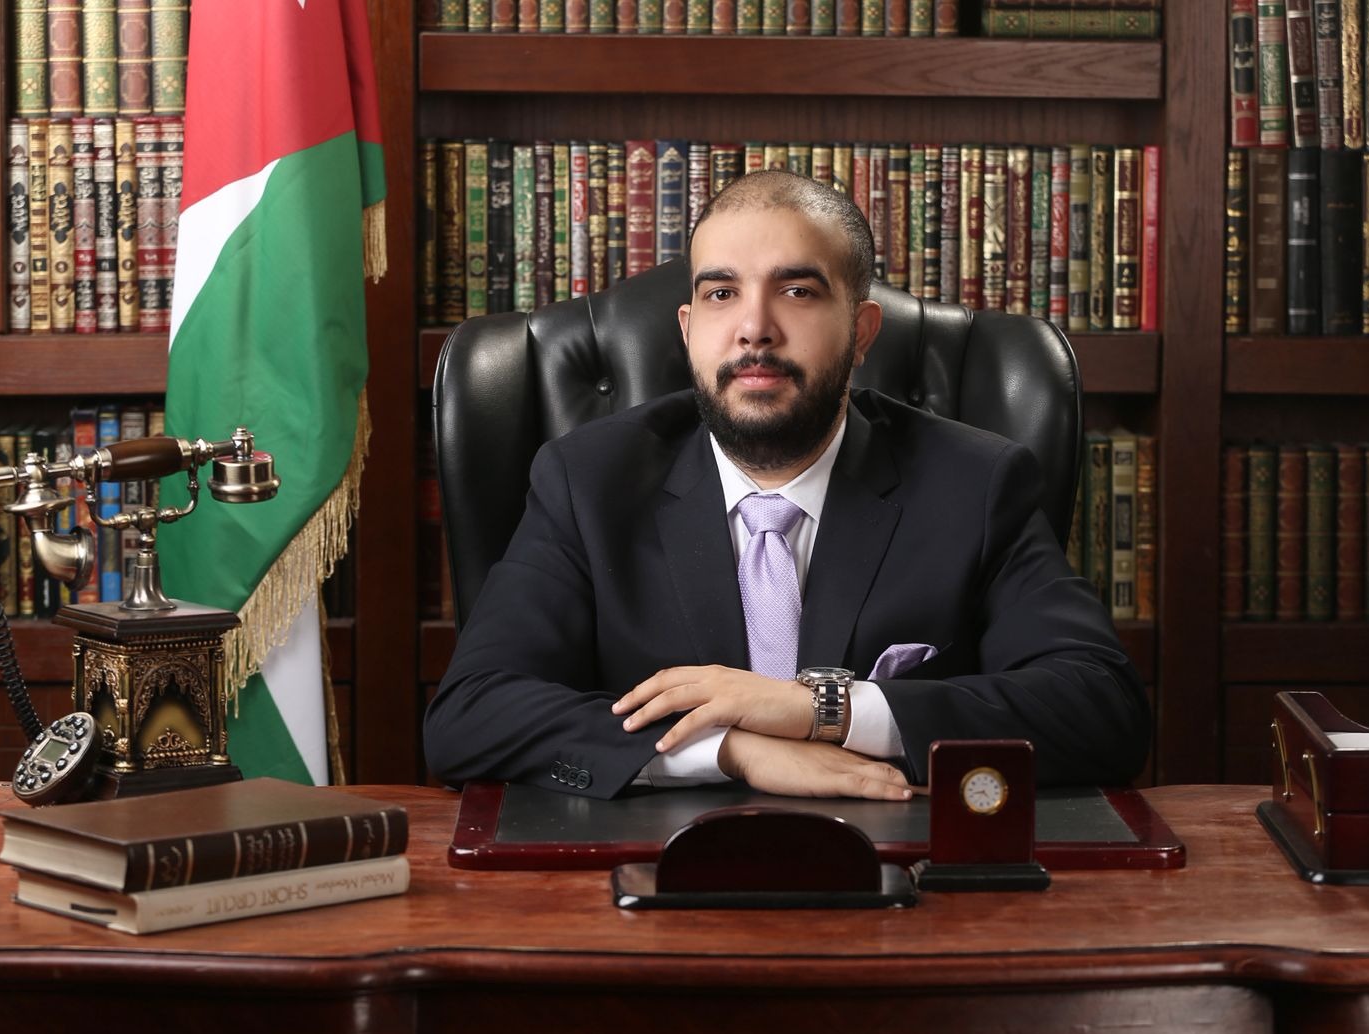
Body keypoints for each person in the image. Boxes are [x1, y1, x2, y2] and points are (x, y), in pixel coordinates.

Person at [423, 169, 1149, 801]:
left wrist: (821, 711)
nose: (754, 329)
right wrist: (730, 749)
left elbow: (1102, 708)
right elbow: (471, 715)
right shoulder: (587, 481)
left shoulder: (975, 483)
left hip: (899, 874)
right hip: (649, 879)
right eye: (721, 293)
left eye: (797, 290)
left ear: (862, 332)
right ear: (687, 329)